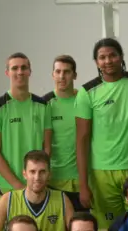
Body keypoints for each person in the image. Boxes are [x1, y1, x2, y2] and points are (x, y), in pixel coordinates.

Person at [75, 38, 128, 230]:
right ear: (96, 62)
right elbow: (82, 140)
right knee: (108, 230)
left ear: (121, 57)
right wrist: (83, 184)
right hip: (102, 174)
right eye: (102, 57)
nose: (108, 61)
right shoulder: (87, 92)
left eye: (112, 55)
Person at [0, 52, 53, 231]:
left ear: (30, 71)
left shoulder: (42, 105)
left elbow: (46, 148)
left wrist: (36, 181)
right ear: (7, 72)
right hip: (7, 188)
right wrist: (18, 185)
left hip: (35, 188)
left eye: (24, 67)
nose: (20, 72)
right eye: (15, 68)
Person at [42, 55, 86, 212]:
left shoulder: (85, 100)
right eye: (58, 71)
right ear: (52, 74)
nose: (62, 76)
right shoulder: (44, 104)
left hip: (83, 180)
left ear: (75, 75)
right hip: (55, 180)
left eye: (66, 72)